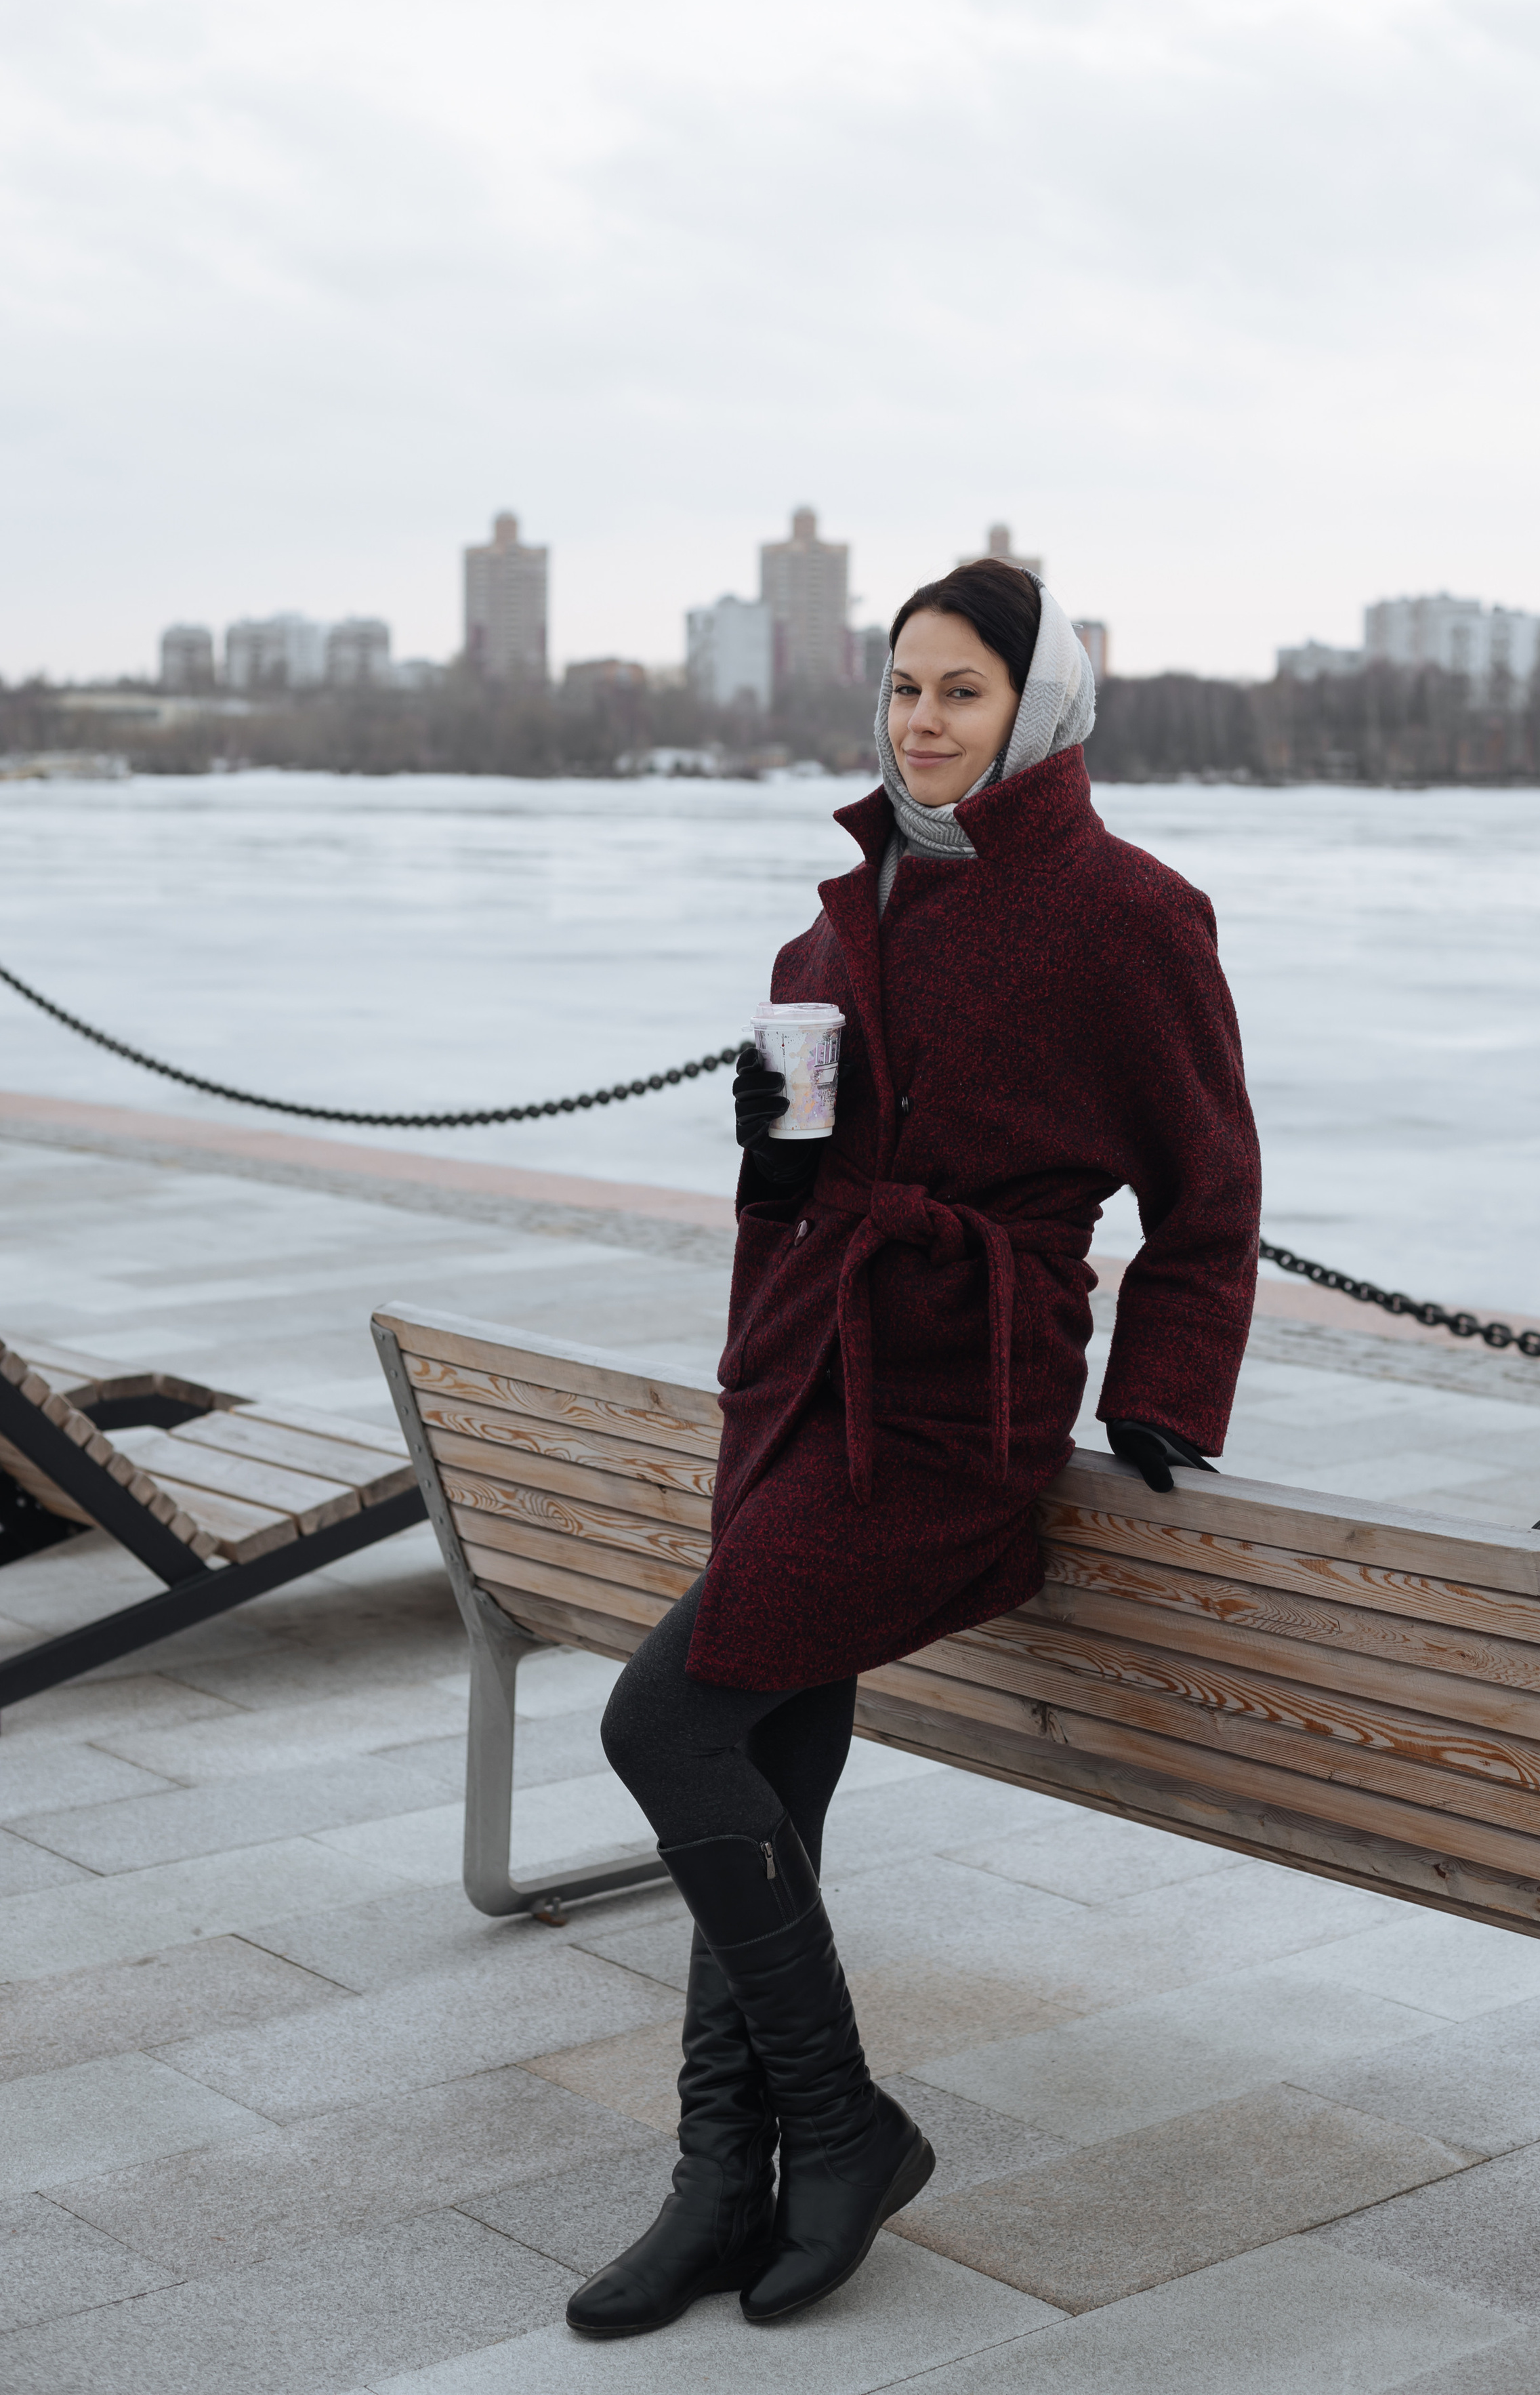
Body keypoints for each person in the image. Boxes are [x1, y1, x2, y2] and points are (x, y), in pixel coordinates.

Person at [567, 557, 1261, 2340]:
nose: (923, 722)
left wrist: (1164, 1392)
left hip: (957, 1403)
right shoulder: (833, 920)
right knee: (764, 1770)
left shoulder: (1131, 913)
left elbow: (1211, 1185)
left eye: (960, 692)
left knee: (662, 1720)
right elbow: (788, 1196)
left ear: (1037, 708)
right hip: (802, 1379)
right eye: (902, 691)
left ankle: (847, 2130)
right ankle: (723, 2178)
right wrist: (773, 1177)